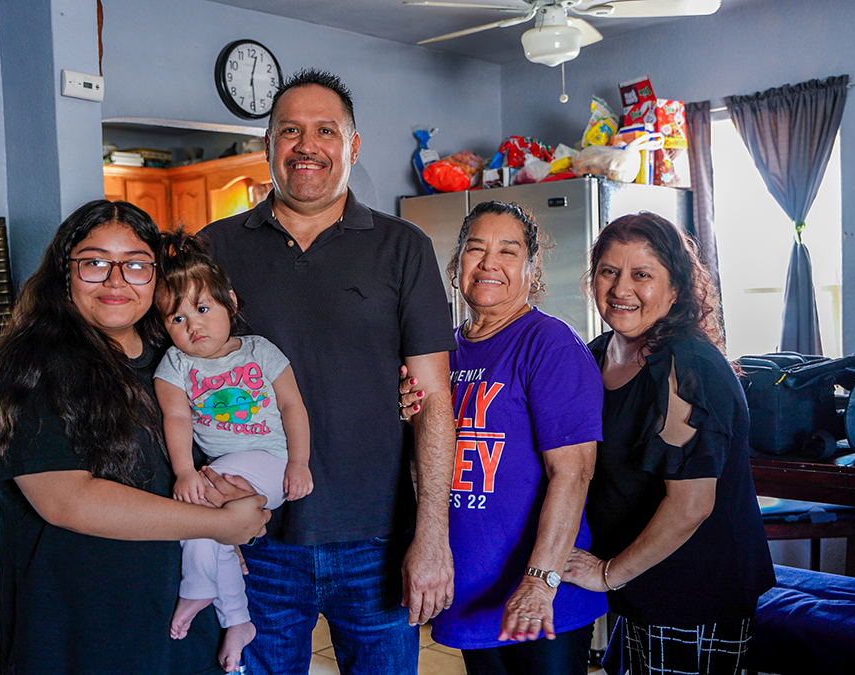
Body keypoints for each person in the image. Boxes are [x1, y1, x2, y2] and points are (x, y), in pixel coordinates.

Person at [201, 68, 457, 674]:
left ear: (353, 145)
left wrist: (432, 535)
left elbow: (434, 399)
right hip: (256, 537)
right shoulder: (214, 249)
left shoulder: (404, 247)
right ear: (268, 145)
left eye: (325, 130)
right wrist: (204, 518)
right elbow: (179, 379)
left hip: (378, 538)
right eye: (290, 130)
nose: (306, 145)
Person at [0, 200, 270, 674]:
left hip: (183, 630)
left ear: (156, 275)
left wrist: (232, 507)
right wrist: (217, 526)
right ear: (63, 272)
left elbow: (203, 461)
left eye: (135, 265)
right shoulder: (27, 366)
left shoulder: (174, 359)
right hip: (83, 637)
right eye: (94, 263)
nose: (116, 281)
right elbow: (67, 500)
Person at [562, 213, 775, 675]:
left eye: (642, 275)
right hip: (642, 585)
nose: (621, 289)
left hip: (695, 593)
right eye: (608, 271)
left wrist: (606, 574)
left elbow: (691, 505)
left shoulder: (686, 365)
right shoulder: (599, 352)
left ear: (675, 288)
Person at [424, 201, 608, 674]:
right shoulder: (442, 351)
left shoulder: (548, 344)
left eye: (508, 251)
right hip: (470, 586)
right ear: (457, 263)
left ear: (531, 268)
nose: (489, 263)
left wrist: (540, 581)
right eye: (475, 248)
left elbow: (574, 471)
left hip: (538, 591)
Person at [152, 231, 313, 672]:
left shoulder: (259, 351)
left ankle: (197, 587)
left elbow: (291, 406)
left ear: (231, 304)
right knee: (208, 529)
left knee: (200, 513)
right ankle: (238, 620)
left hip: (271, 462)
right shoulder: (175, 366)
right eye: (176, 319)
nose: (192, 326)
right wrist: (184, 472)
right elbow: (178, 420)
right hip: (218, 471)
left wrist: (298, 463)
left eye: (201, 309)